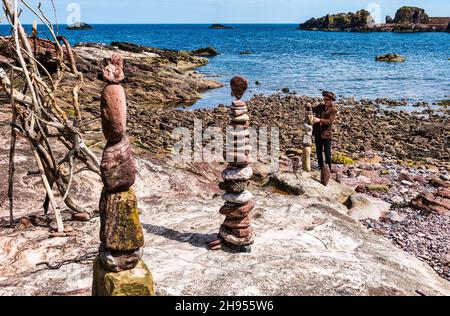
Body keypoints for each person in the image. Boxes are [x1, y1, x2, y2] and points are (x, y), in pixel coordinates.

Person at [312, 91, 338, 175]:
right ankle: (320, 166)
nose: (325, 101)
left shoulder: (333, 110)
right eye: (324, 99)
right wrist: (308, 106)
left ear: (331, 100)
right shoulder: (320, 107)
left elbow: (329, 121)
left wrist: (319, 120)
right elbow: (312, 109)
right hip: (317, 133)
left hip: (326, 134)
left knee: (327, 152)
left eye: (327, 99)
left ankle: (329, 168)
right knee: (318, 151)